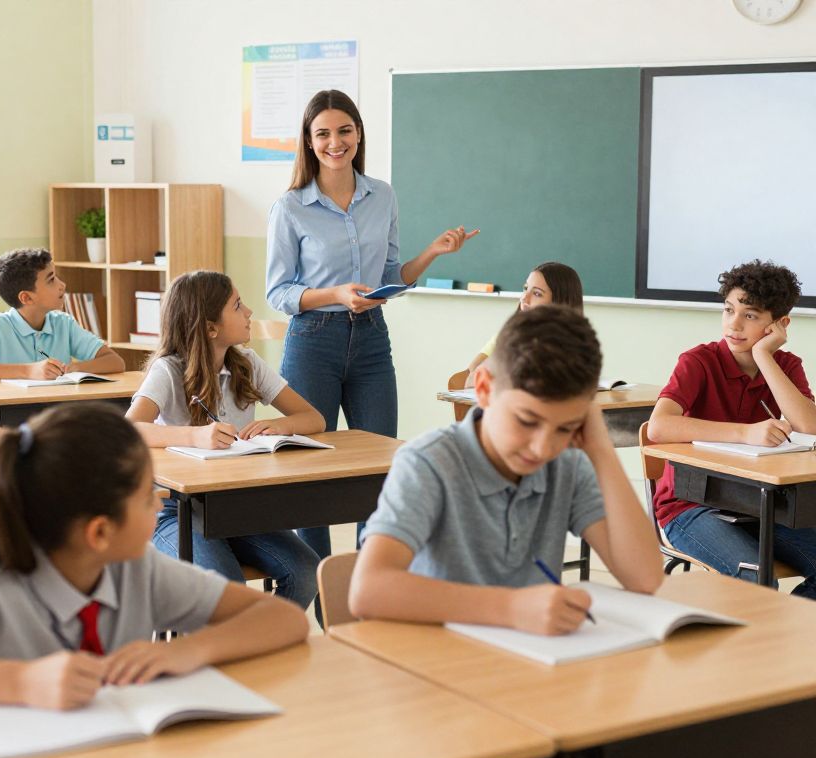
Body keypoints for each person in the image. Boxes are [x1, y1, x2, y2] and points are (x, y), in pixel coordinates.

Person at [0, 403, 309, 707]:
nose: (162, 502)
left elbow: (282, 620)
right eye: (149, 495)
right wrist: (21, 685)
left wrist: (190, 649)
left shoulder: (137, 571)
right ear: (100, 532)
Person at [349, 306, 662, 633]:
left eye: (565, 427)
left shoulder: (567, 462)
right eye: (527, 421)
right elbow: (368, 590)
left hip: (532, 661)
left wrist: (601, 451)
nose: (543, 448)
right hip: (438, 659)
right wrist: (510, 607)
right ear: (483, 389)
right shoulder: (428, 462)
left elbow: (645, 579)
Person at [266, 88, 476, 563]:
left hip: (371, 342)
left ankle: (371, 589)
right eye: (323, 133)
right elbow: (279, 293)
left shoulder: (382, 195)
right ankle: (320, 593)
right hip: (312, 341)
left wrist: (433, 254)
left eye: (344, 131)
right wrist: (336, 294)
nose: (334, 142)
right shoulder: (291, 207)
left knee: (382, 469)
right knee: (308, 473)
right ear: (309, 140)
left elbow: (389, 277)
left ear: (359, 134)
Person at [126, 271, 325, 609]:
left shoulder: (247, 364)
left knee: (306, 570)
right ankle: (240, 652)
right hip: (176, 512)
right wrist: (194, 435)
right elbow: (126, 431)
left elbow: (313, 419)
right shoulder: (168, 370)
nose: (248, 312)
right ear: (209, 327)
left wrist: (279, 426)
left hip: (238, 509)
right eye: (237, 306)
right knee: (227, 589)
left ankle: (262, 650)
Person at [648, 260, 816, 597]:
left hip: (762, 507)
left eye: (750, 315)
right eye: (728, 310)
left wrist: (765, 357)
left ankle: (785, 639)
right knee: (756, 580)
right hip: (691, 506)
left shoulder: (785, 365)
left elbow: (810, 427)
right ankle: (770, 639)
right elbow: (658, 427)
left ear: (779, 325)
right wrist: (744, 432)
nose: (734, 325)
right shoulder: (698, 362)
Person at [0, 248, 124, 380]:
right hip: (13, 416)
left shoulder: (64, 324)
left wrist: (72, 369)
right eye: (51, 280)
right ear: (26, 297)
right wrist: (28, 370)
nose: (62, 285)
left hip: (56, 413)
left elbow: (115, 362)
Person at [464, 261, 583, 387]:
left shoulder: (574, 346)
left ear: (559, 303)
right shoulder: (510, 333)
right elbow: (473, 375)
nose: (524, 298)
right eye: (526, 288)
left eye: (537, 293)